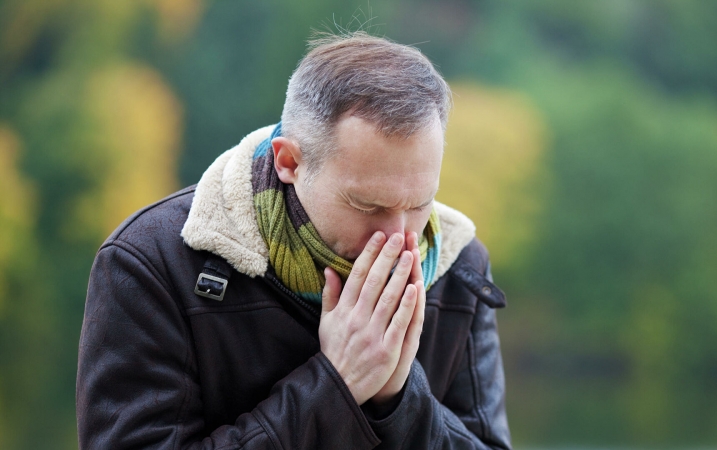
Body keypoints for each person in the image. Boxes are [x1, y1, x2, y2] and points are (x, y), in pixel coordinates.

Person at [77, 31, 511, 449]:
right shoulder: (152, 261)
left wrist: (400, 399)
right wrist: (336, 385)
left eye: (419, 204)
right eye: (367, 206)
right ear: (289, 161)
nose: (399, 239)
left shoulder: (460, 264)